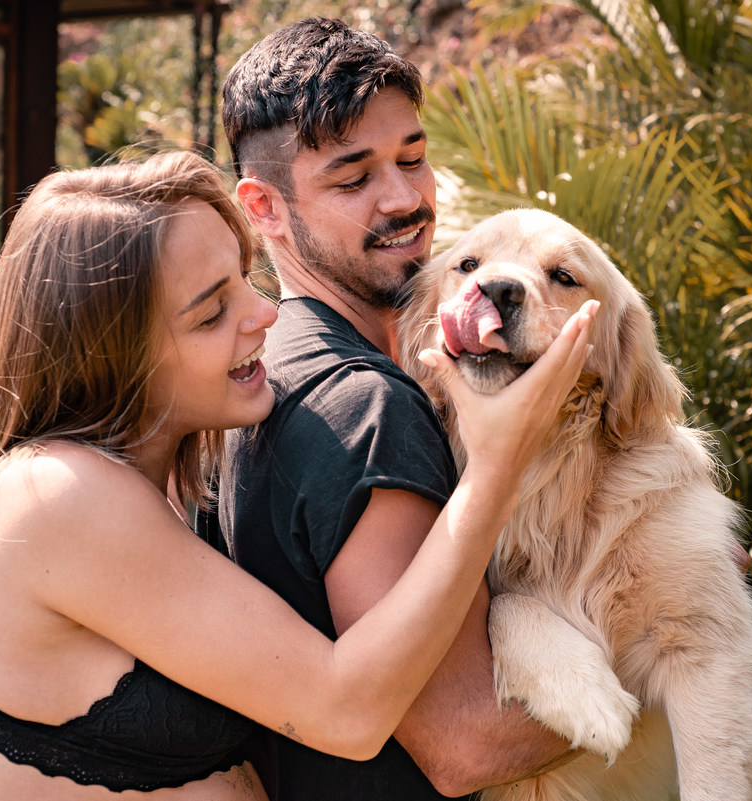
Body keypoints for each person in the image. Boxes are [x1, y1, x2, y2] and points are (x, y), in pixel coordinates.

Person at [0, 150, 596, 800]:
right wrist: (497, 466)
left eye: (244, 279)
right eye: (212, 311)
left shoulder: (164, 478)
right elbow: (348, 710)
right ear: (111, 353)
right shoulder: (53, 496)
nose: (264, 313)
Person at [208, 17, 586, 801]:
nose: (406, 198)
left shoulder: (259, 371)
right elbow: (466, 741)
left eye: (413, 159)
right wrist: (677, 636)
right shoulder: (364, 409)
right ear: (264, 207)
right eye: (353, 179)